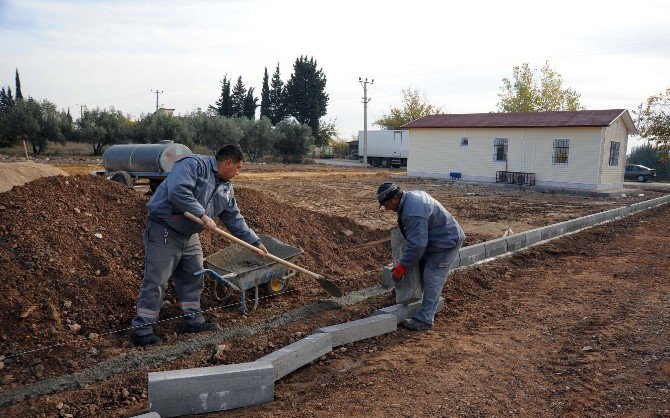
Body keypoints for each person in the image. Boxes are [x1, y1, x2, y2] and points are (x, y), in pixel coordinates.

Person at [130, 144, 267, 346]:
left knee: (194, 276)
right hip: (165, 228)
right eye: (238, 167)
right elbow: (178, 191)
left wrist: (255, 242)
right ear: (229, 163)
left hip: (190, 234)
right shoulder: (193, 165)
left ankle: (192, 321)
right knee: (157, 279)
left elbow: (234, 219)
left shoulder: (226, 188)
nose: (239, 173)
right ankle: (142, 330)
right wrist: (202, 215)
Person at [377, 182, 465, 331]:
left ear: (393, 199)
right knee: (419, 267)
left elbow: (417, 245)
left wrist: (402, 266)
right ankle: (409, 295)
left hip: (446, 242)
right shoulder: (410, 199)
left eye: (386, 205)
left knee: (432, 276)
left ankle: (424, 320)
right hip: (435, 240)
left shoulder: (413, 212)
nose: (386, 209)